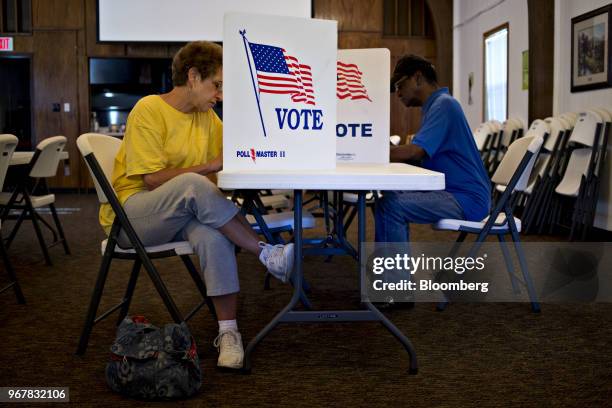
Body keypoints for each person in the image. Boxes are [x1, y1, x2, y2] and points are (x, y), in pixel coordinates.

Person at [98, 41, 294, 370]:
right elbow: (152, 180)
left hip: (178, 213)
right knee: (193, 184)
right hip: (132, 218)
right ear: (192, 76)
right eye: (216, 85)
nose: (219, 95)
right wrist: (208, 167)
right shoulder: (149, 109)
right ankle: (265, 252)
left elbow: (232, 153)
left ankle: (229, 333)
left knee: (211, 232)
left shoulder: (206, 117)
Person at [376, 54, 491, 243]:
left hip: (465, 198)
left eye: (399, 85)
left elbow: (415, 151)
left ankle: (392, 272)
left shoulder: (444, 104)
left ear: (418, 78)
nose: (397, 93)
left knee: (391, 206)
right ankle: (389, 265)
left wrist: (373, 151)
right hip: (452, 191)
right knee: (388, 195)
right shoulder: (435, 106)